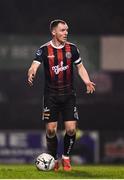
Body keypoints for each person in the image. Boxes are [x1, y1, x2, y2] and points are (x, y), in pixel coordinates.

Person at [28, 19, 95, 171]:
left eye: (67, 30)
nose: (66, 33)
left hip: (69, 95)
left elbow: (80, 67)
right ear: (54, 32)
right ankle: (53, 159)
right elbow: (34, 65)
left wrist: (87, 81)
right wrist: (31, 72)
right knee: (51, 130)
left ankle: (65, 157)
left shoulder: (73, 49)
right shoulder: (44, 49)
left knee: (71, 130)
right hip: (51, 96)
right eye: (62, 30)